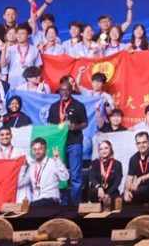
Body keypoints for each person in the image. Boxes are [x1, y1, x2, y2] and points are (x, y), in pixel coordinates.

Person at [46, 76, 87, 205]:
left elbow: (85, 123)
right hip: (58, 145)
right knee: (60, 174)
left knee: (75, 176)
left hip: (74, 143)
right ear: (59, 91)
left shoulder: (78, 105)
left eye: (67, 90)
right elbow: (50, 125)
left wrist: (76, 127)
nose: (64, 92)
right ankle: (62, 204)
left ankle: (76, 204)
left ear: (71, 90)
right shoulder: (54, 107)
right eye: (62, 90)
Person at [0, 127, 28, 200]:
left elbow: (29, 167)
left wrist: (24, 162)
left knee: (16, 207)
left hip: (17, 189)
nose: (5, 137)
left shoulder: (20, 152)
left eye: (7, 134)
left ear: (11, 135)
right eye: (2, 135)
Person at [27, 137, 69, 206]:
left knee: (32, 206)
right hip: (35, 201)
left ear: (46, 149)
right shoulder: (31, 166)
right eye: (35, 149)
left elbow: (65, 177)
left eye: (40, 149)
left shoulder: (53, 163)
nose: (37, 152)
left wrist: (58, 161)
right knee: (22, 208)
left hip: (50, 200)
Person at [87, 140, 123, 205]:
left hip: (111, 192)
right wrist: (99, 187)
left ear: (110, 149)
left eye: (106, 148)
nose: (103, 151)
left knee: (115, 201)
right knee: (93, 192)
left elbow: (117, 181)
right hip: (97, 191)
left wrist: (108, 194)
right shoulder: (94, 163)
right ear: (99, 151)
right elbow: (91, 177)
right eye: (101, 149)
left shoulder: (117, 164)